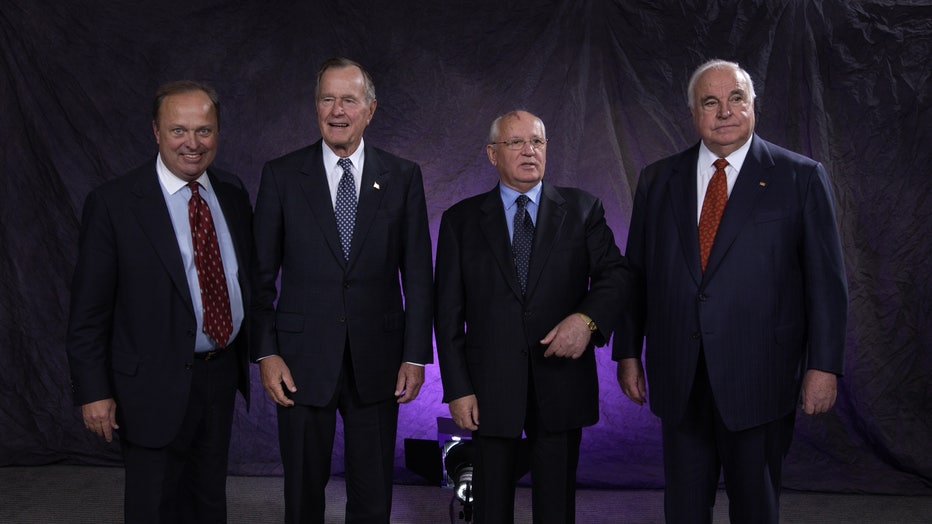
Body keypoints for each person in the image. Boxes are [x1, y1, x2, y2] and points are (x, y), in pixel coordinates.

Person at [615, 59, 848, 523]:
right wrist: (628, 352)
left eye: (736, 98)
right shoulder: (659, 179)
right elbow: (636, 273)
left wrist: (823, 366)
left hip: (760, 375)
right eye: (710, 102)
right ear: (693, 112)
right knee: (683, 507)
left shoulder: (799, 176)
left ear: (753, 105)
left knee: (755, 507)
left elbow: (826, 281)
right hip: (680, 372)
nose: (724, 111)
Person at [252, 57, 433, 524]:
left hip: (379, 358)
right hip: (299, 359)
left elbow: (417, 274)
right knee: (302, 492)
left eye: (348, 99)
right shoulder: (282, 174)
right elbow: (258, 277)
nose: (337, 110)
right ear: (316, 107)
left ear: (369, 110)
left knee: (373, 494)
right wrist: (265, 353)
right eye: (327, 98)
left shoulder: (403, 176)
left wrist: (415, 355)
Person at [66, 80, 252, 523]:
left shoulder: (232, 192)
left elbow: (247, 283)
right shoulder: (114, 204)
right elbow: (88, 313)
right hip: (148, 384)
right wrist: (94, 391)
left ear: (218, 133)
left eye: (204, 130)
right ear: (155, 131)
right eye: (178, 130)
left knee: (209, 502)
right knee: (153, 507)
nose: (193, 143)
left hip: (219, 376)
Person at [435, 110, 630, 523]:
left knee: (556, 508)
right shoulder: (461, 221)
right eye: (516, 142)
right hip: (488, 391)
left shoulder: (582, 209)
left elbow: (617, 275)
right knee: (490, 508)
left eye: (537, 142)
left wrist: (587, 321)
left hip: (560, 384)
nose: (529, 151)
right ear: (492, 154)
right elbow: (447, 315)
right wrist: (457, 388)